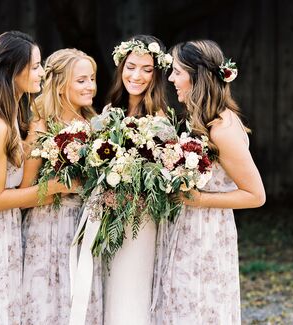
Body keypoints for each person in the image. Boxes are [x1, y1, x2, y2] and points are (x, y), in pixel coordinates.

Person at [151, 39, 266, 324]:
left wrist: (201, 200)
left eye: (177, 71)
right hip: (185, 231)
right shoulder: (198, 119)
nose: (171, 79)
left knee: (198, 309)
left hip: (206, 236)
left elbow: (255, 195)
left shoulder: (222, 128)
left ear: (196, 75)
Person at [0, 31, 76, 325]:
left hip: (5, 228)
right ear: (13, 70)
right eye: (35, 66)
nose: (42, 72)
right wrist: (56, 189)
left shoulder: (15, 115)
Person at [20, 48, 97, 325]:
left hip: (88, 228)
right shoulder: (40, 127)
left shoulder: (97, 125)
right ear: (61, 84)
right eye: (81, 80)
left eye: (92, 79)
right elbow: (23, 197)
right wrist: (60, 187)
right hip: (49, 230)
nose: (90, 86)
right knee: (51, 308)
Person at [103, 34, 171, 325]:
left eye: (147, 69)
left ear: (156, 75)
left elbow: (163, 174)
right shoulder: (109, 110)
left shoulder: (160, 118)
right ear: (121, 67)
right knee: (107, 288)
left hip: (140, 217)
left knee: (132, 288)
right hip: (107, 214)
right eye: (131, 66)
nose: (137, 75)